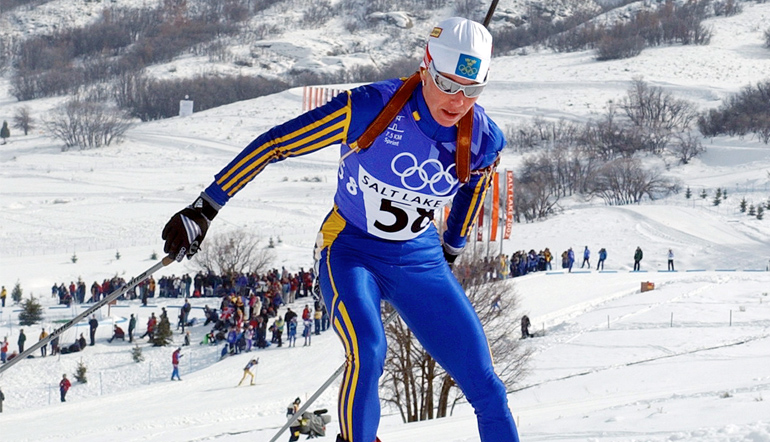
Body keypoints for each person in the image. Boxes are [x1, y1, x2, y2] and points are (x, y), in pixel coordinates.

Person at [160, 17, 519, 442]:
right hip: (350, 250)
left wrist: (452, 248)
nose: (458, 100)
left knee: (487, 385)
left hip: (418, 259)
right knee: (368, 353)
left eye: (472, 89)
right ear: (425, 65)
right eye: (447, 83)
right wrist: (205, 208)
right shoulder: (372, 108)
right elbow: (275, 144)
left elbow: (472, 190)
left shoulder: (483, 138)